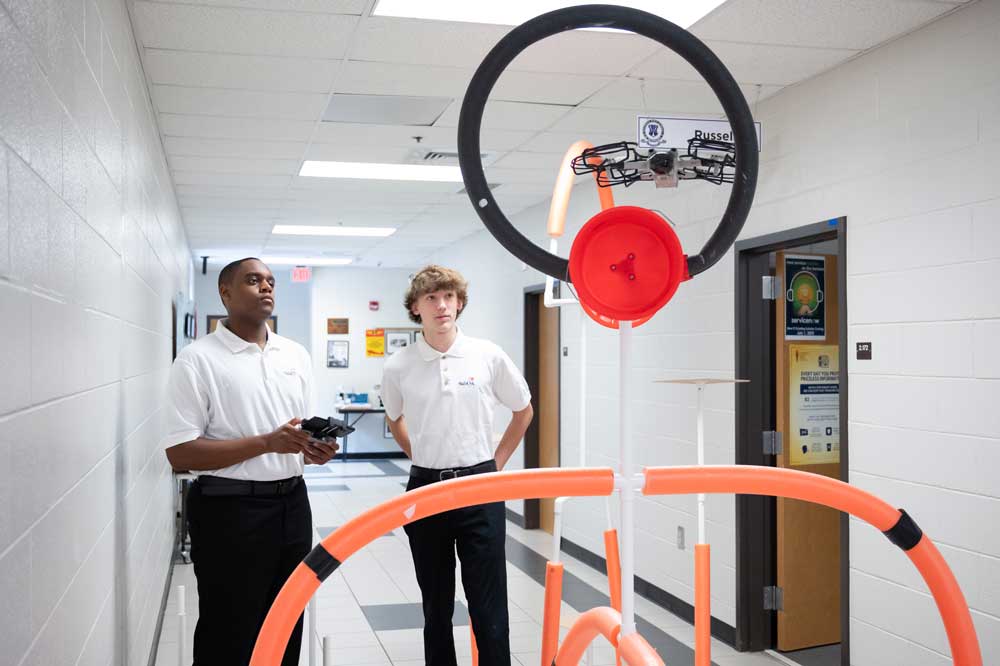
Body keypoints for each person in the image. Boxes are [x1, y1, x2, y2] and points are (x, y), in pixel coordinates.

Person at [160, 258, 339, 666]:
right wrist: (266, 443)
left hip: (293, 505)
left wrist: (315, 449)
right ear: (225, 293)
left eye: (271, 281)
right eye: (253, 280)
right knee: (230, 628)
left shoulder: (294, 354)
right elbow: (179, 453)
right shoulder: (197, 359)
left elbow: (299, 434)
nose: (266, 287)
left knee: (287, 617)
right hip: (229, 511)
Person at [381, 265, 534, 666]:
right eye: (431, 297)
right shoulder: (399, 366)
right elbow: (394, 417)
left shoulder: (487, 355)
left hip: (479, 486)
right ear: (415, 307)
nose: (441, 305)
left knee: (488, 606)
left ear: (459, 303)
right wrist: (418, 454)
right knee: (436, 605)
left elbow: (523, 411)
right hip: (426, 488)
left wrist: (494, 465)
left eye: (448, 296)